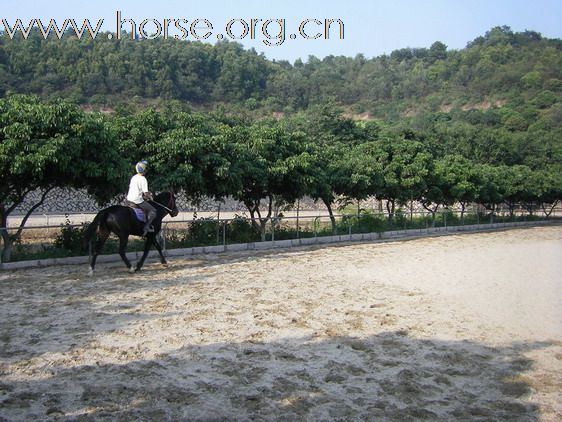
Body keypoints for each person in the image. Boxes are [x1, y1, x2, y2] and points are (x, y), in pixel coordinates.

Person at [126, 160, 156, 236]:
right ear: (144, 169)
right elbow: (146, 193)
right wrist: (150, 197)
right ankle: (147, 226)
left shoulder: (134, 177)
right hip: (137, 201)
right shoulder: (143, 179)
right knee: (153, 210)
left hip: (129, 200)